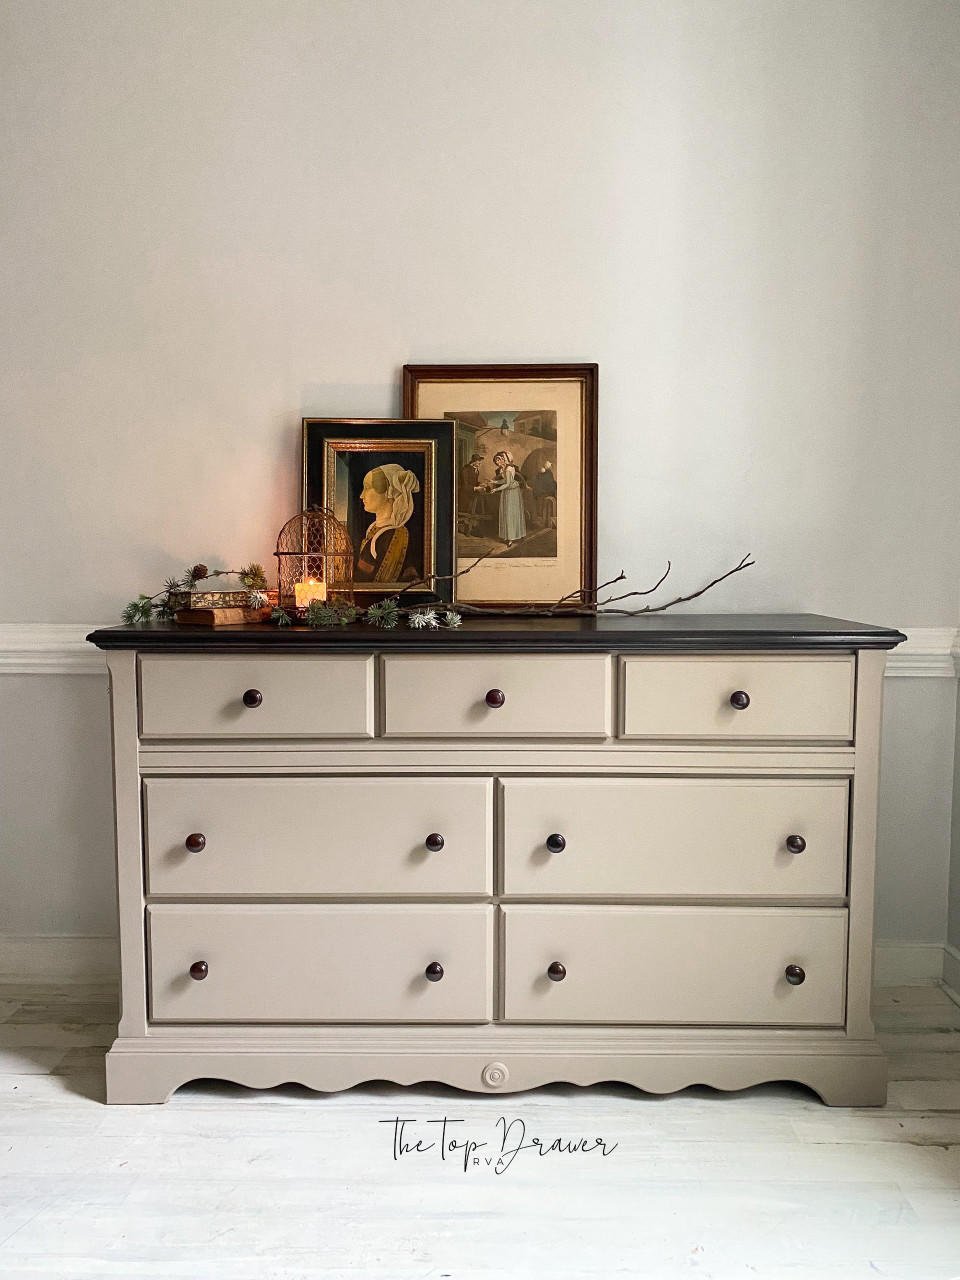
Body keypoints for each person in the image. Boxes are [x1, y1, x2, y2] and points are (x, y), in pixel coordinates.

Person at [355, 463, 420, 582]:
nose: (362, 495)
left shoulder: (392, 535)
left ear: (388, 492)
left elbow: (376, 584)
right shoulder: (374, 529)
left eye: (368, 487)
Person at [487, 450, 526, 546]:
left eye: (499, 460)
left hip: (512, 493)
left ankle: (512, 538)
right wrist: (494, 482)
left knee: (511, 514)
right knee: (506, 514)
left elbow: (508, 483)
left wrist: (496, 490)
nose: (498, 463)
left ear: (503, 459)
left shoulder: (509, 469)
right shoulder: (504, 469)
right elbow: (504, 480)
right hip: (507, 492)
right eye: (496, 462)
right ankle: (507, 536)